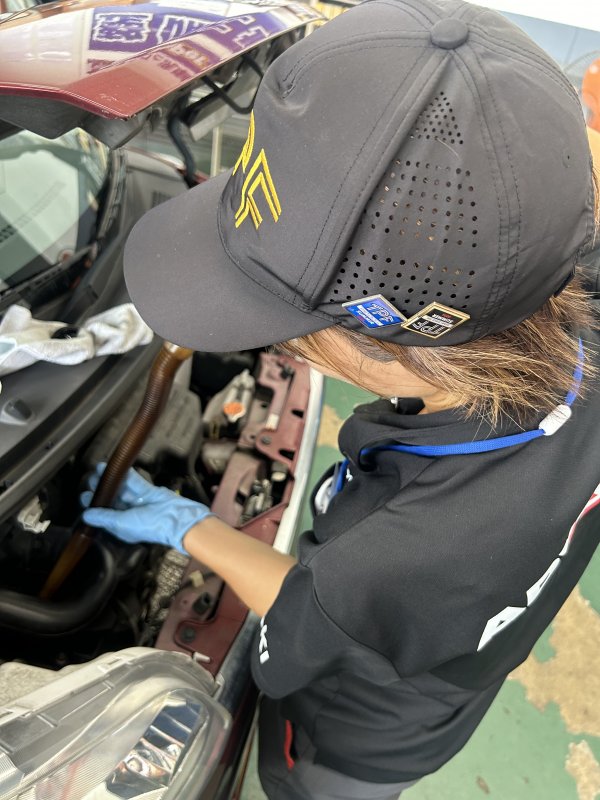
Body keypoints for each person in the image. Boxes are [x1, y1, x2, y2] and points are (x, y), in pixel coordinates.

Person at [81, 1, 600, 798]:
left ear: (407, 347)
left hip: (353, 745)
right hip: (458, 661)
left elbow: (299, 620)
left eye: (290, 334)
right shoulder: (577, 293)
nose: (279, 350)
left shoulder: (407, 550)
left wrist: (189, 527)